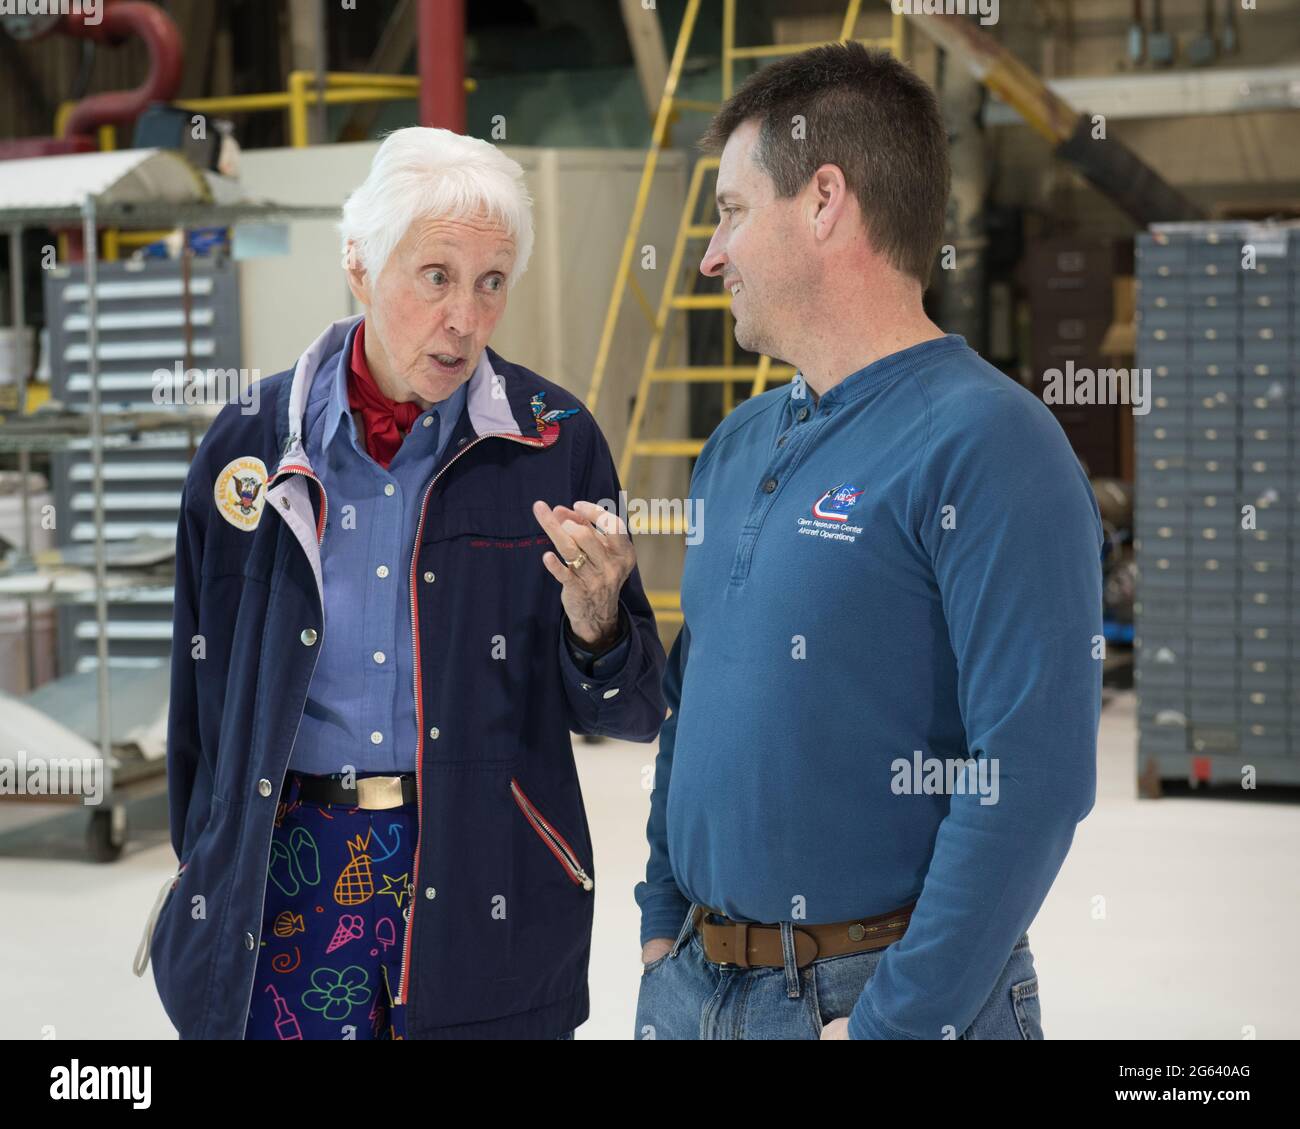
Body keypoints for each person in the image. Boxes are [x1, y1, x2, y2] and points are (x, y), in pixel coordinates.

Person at [135, 127, 666, 1040]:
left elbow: (634, 710)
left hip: (485, 872)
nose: (465, 317)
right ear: (359, 263)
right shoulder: (249, 443)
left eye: (492, 281)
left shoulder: (553, 440)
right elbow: (201, 707)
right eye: (436, 276)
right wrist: (209, 875)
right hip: (287, 873)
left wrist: (598, 626)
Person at [634, 43, 1104, 1041]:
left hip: (868, 1001)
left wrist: (897, 1019)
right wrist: (661, 923)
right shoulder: (735, 444)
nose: (710, 256)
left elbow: (1030, 777)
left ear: (823, 201)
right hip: (694, 987)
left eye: (728, 211)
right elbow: (694, 700)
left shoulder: (989, 444)